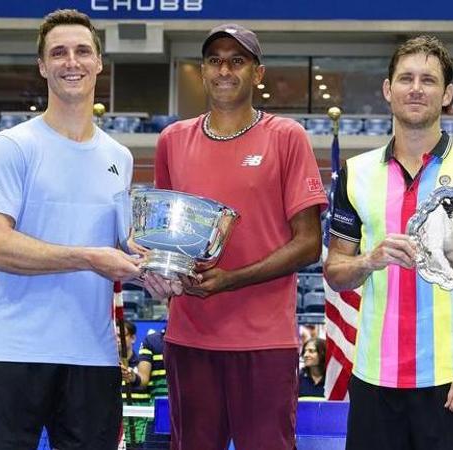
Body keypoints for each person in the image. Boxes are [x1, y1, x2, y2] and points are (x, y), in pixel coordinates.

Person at [0, 9, 143, 449]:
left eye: (83, 51)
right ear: (43, 66)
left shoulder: (119, 158)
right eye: (58, 53)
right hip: (13, 353)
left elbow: (124, 246)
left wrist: (154, 269)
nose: (72, 62)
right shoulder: (10, 147)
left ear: (99, 62)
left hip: (92, 358)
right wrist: (86, 256)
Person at [325, 35, 453, 450]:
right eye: (406, 78)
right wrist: (369, 260)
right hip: (374, 379)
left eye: (428, 80)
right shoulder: (356, 173)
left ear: (447, 94)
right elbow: (336, 273)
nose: (416, 88)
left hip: (451, 379)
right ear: (388, 90)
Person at [151, 23, 328, 450]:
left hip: (264, 340)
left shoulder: (287, 137)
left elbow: (308, 243)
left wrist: (231, 279)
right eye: (215, 61)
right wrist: (159, 273)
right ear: (203, 70)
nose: (224, 70)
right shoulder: (172, 140)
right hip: (189, 336)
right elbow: (162, 235)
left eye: (237, 61)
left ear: (258, 73)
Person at [117, 321, 149, 450]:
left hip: (140, 432)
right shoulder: (107, 367)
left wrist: (133, 377)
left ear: (133, 338)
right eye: (115, 337)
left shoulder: (144, 365)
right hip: (115, 433)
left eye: (122, 336)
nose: (118, 340)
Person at [138, 323, 169, 450]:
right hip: (163, 408)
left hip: (192, 410)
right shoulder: (152, 341)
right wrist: (133, 377)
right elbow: (142, 380)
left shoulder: (198, 339)